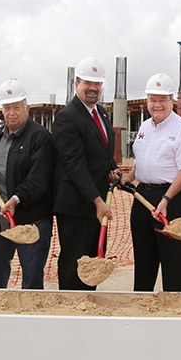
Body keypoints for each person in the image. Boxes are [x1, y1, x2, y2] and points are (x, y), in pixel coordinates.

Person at [121, 73, 181, 292]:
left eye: (163, 100)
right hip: (142, 197)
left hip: (172, 200)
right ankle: (143, 303)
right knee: (144, 256)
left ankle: (174, 308)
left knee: (173, 258)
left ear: (172, 101)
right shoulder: (145, 127)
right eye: (153, 100)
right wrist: (128, 178)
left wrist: (166, 198)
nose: (157, 105)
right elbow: (142, 160)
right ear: (147, 101)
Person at [0, 79, 54, 289]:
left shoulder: (40, 137)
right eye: (7, 107)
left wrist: (16, 198)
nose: (11, 112)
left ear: (26, 108)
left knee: (31, 283)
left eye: (16, 107)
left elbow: (39, 180)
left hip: (30, 219)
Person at [52, 57, 121, 290]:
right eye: (88, 83)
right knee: (75, 261)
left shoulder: (101, 113)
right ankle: (71, 311)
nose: (93, 88)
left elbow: (99, 151)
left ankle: (86, 306)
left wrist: (111, 167)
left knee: (91, 261)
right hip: (76, 205)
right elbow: (74, 164)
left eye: (98, 83)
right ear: (76, 84)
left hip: (95, 203)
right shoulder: (66, 117)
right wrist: (97, 200)